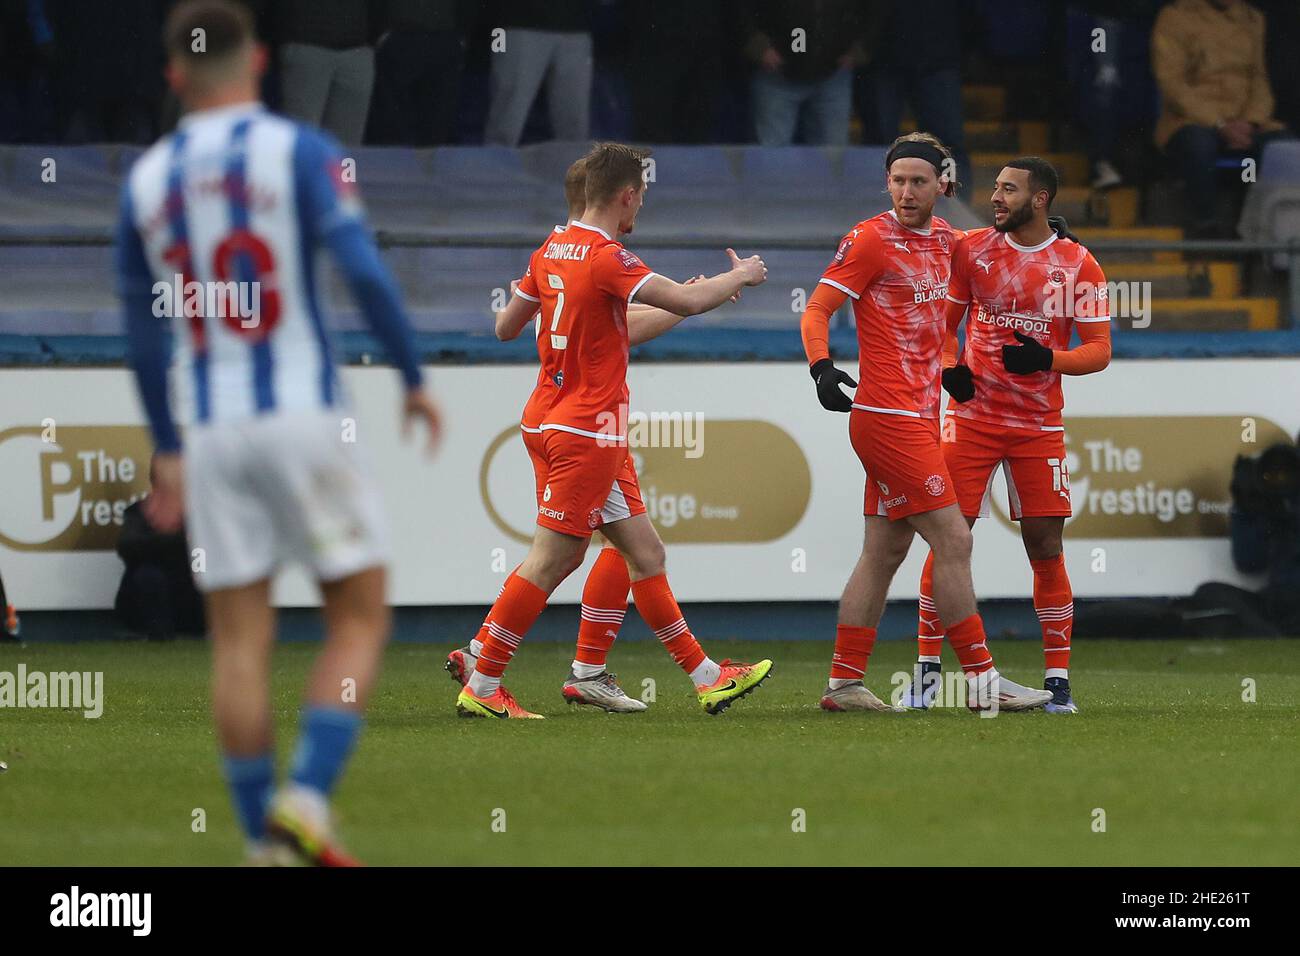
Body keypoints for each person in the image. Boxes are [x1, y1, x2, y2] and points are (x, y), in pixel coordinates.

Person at [115, 0, 441, 865]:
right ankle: (306, 794)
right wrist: (412, 375)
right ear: (259, 63)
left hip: (213, 429)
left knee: (239, 640)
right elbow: (363, 269)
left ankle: (265, 842)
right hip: (302, 412)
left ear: (173, 77)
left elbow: (143, 336)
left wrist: (169, 448)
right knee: (359, 617)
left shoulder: (146, 181)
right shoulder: (300, 152)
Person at [451, 141, 772, 719]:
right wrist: (739, 275)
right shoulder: (607, 257)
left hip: (549, 417)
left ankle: (705, 677)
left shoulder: (551, 250)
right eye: (640, 198)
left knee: (644, 552)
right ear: (626, 195)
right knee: (555, 557)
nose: (639, 209)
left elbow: (506, 327)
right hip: (586, 433)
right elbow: (690, 299)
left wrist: (678, 303)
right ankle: (483, 677)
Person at [799, 132, 1052, 714]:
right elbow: (818, 308)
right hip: (886, 418)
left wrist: (1049, 234)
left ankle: (842, 685)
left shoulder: (951, 242)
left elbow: (1003, 246)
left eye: (918, 181)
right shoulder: (869, 240)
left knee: (882, 553)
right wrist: (820, 367)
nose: (906, 192)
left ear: (945, 184)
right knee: (954, 538)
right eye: (897, 180)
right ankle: (983, 682)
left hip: (918, 414)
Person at [904, 157, 1112, 716]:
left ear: (1039, 199)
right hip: (970, 421)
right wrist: (951, 367)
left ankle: (1058, 682)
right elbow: (942, 329)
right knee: (949, 539)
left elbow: (1099, 351)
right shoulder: (971, 250)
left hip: (1038, 428)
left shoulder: (1079, 265)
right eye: (994, 187)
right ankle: (926, 672)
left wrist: (1049, 357)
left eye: (1008, 189)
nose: (995, 197)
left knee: (1045, 545)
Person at [1152, 0, 1289, 236]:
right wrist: (1220, 123)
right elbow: (1172, 84)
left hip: (1245, 121)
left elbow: (1259, 78)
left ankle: (1260, 234)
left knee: (1282, 148)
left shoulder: (1252, 19)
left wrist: (1251, 122)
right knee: (1199, 145)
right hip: (1192, 119)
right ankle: (1205, 229)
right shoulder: (1174, 17)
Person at [741, 0, 869, 146]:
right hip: (776, 75)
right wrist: (757, 45)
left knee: (833, 155)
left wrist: (863, 48)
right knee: (773, 155)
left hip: (834, 74)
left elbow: (875, 9)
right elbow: (739, 8)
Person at [114, 455, 206, 640]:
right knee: (148, 575)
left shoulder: (201, 513)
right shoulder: (139, 512)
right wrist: (177, 539)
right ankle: (158, 635)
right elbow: (128, 546)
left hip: (192, 598)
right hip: (150, 597)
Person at [484, 1, 592, 146]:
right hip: (515, 25)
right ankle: (492, 167)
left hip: (576, 27)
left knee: (574, 129)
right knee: (505, 122)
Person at [273, 0, 376, 146]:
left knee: (348, 146)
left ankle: (345, 170)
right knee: (302, 139)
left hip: (356, 46)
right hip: (306, 43)